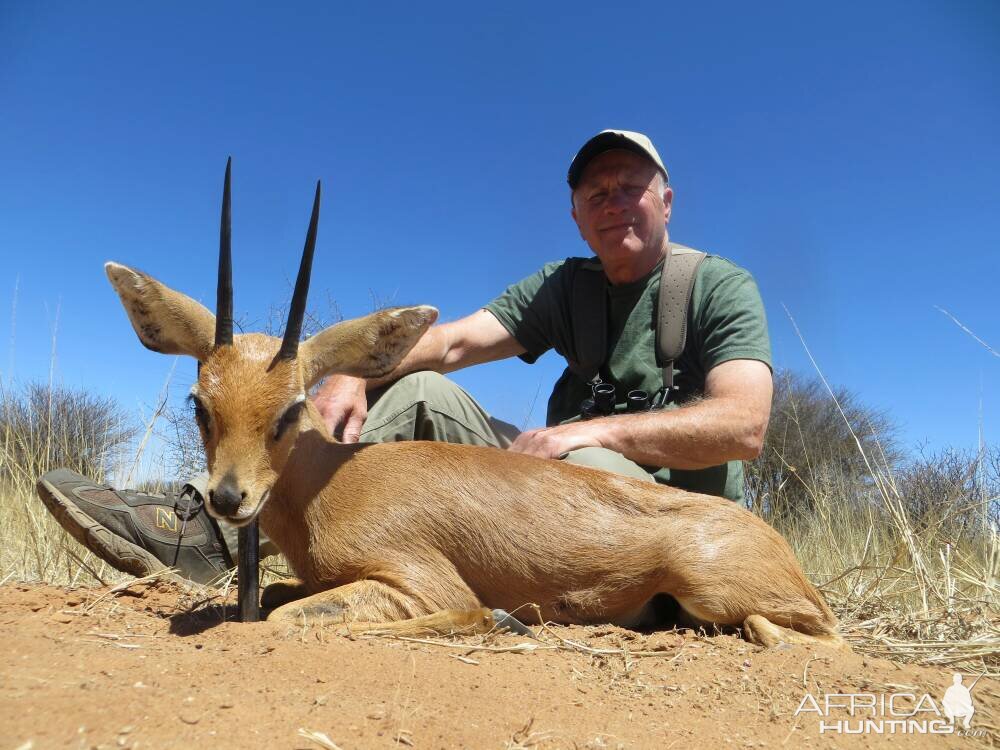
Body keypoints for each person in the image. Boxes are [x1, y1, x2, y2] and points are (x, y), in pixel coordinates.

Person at [37, 130, 773, 585]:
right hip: (552, 472)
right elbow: (450, 342)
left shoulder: (714, 286)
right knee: (410, 392)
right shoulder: (561, 286)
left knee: (576, 469)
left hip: (649, 499)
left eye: (631, 188)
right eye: (596, 191)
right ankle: (226, 535)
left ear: (668, 201)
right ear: (576, 212)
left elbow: (743, 426)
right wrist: (351, 370)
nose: (614, 202)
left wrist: (588, 432)